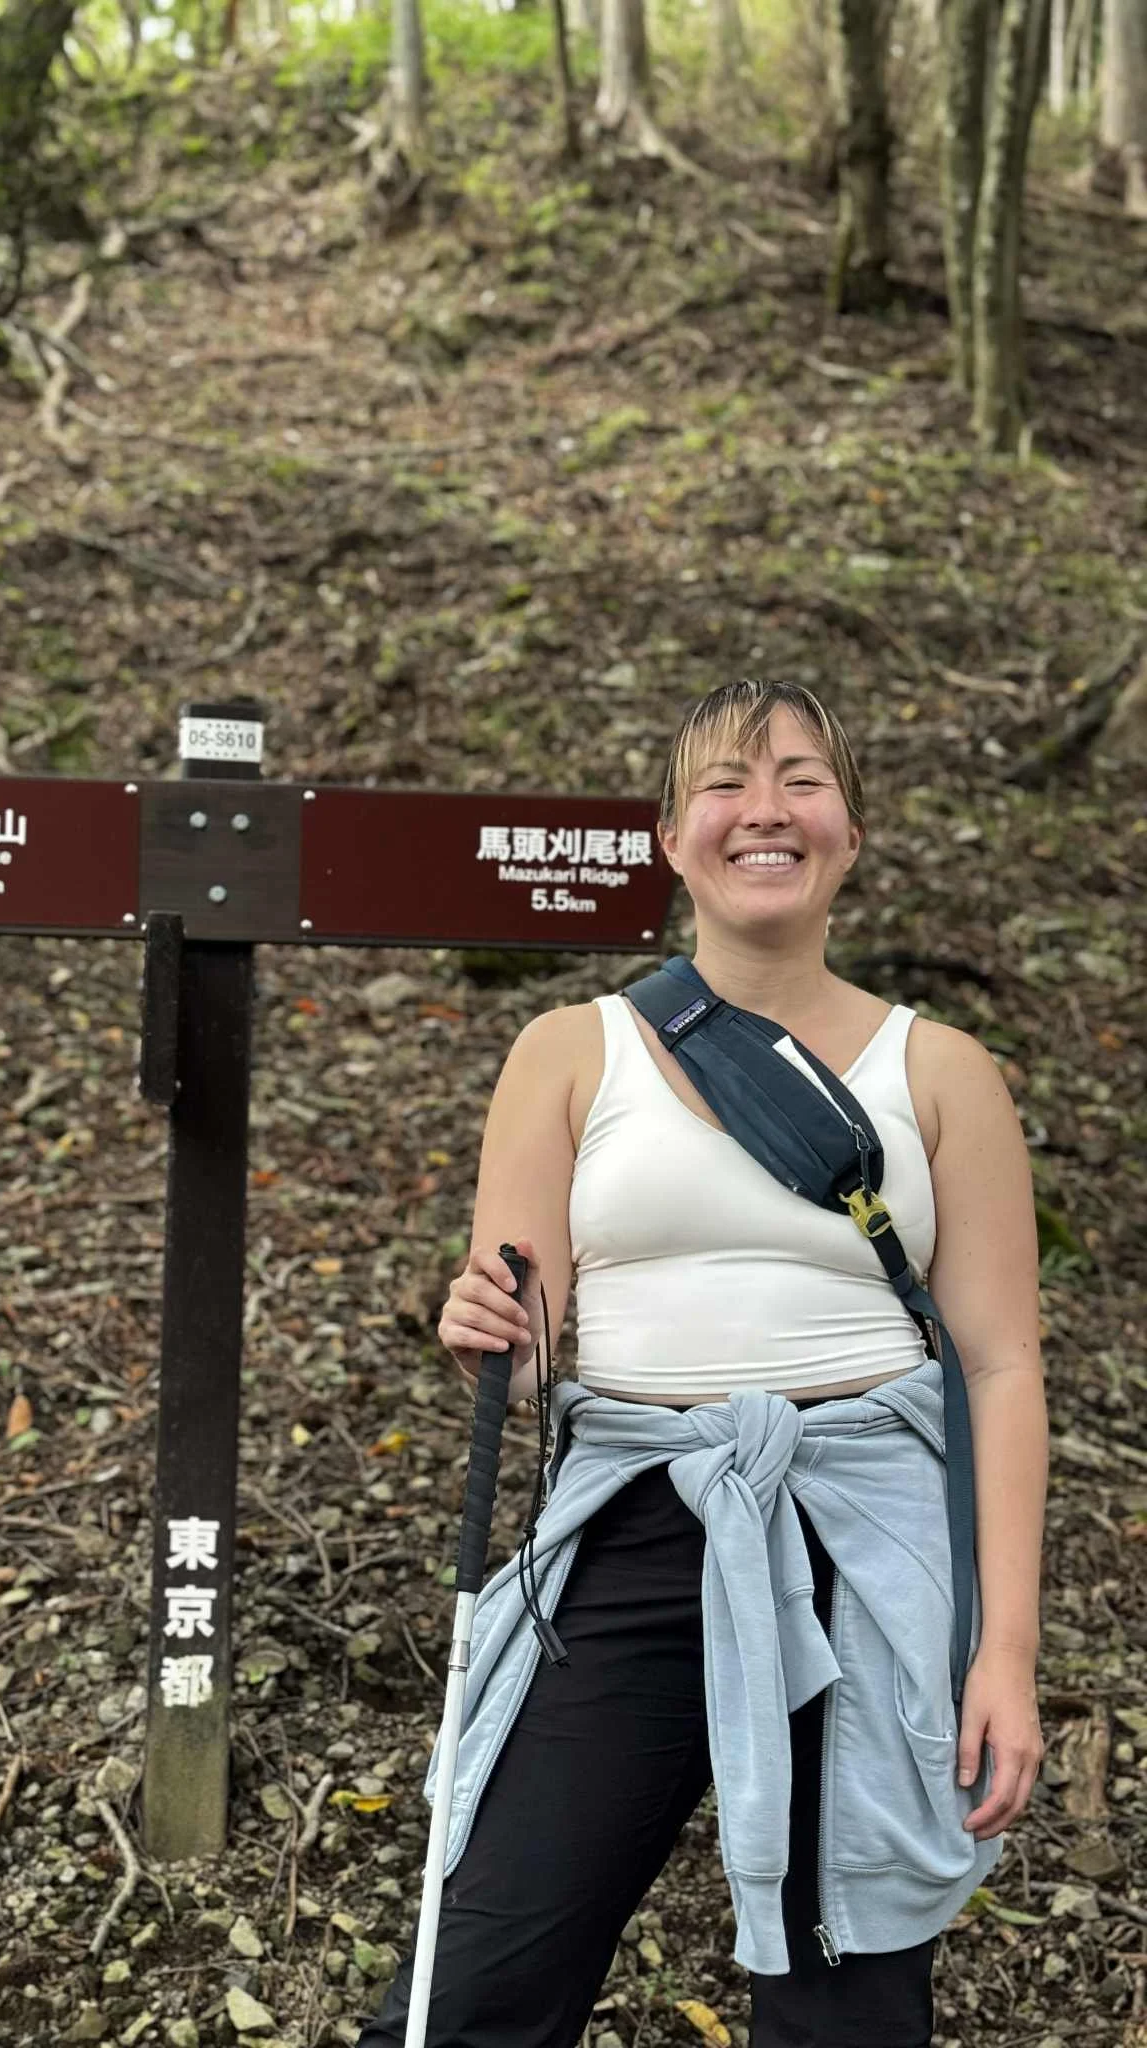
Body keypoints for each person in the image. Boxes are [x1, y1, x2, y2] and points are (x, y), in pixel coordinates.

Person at [356, 678, 1048, 2048]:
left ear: (849, 832)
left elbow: (1002, 1369)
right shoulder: (568, 1053)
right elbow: (527, 1329)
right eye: (727, 783)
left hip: (866, 1535)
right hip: (629, 1528)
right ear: (673, 837)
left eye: (802, 778)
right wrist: (480, 1327)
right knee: (478, 1976)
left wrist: (1006, 1653)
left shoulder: (944, 1070)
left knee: (847, 2002)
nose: (766, 810)